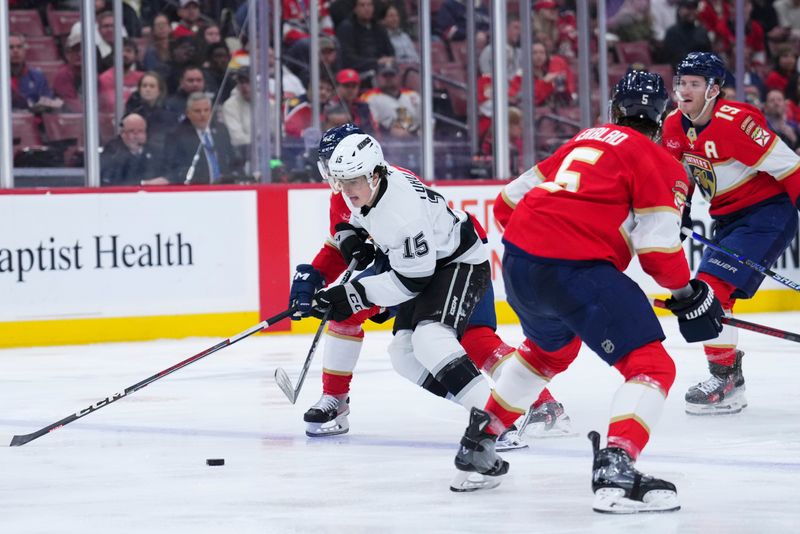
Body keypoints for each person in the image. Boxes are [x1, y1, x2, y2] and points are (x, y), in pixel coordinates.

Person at [450, 71, 725, 512]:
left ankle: (477, 447)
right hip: (574, 268)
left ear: (615, 109)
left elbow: (504, 204)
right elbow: (658, 253)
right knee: (651, 365)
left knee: (547, 353)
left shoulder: (584, 140)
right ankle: (616, 465)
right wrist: (689, 293)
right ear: (661, 117)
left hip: (519, 260)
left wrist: (551, 245)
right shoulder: (662, 164)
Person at [289, 124, 573, 446]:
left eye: (347, 176)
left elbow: (411, 278)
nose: (339, 184)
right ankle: (337, 401)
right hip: (419, 259)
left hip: (449, 261)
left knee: (459, 339)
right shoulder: (356, 188)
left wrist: (352, 294)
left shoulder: (399, 210)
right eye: (335, 174)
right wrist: (315, 274)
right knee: (404, 353)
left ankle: (509, 414)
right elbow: (348, 230)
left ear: (371, 172)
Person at [662, 52, 800, 415]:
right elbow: (678, 176)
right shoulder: (674, 126)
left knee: (709, 290)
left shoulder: (737, 123)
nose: (684, 90)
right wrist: (679, 211)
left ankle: (724, 378)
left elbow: (790, 168)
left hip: (766, 214)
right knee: (709, 296)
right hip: (727, 219)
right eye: (681, 82)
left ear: (714, 89)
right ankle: (728, 378)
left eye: (694, 83)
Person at [164, 92, 237, 184]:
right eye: (197, 111)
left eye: (206, 110)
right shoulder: (177, 135)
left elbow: (232, 160)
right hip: (196, 188)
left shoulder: (221, 130)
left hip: (225, 188)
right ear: (188, 113)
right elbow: (174, 169)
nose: (203, 114)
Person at [100, 113, 168, 186]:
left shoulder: (154, 152)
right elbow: (111, 181)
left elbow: (167, 174)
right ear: (123, 134)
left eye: (140, 131)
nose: (136, 135)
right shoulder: (113, 151)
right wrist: (143, 183)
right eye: (131, 131)